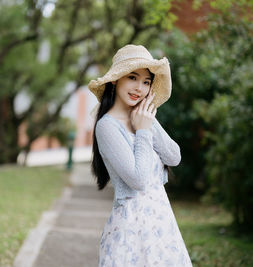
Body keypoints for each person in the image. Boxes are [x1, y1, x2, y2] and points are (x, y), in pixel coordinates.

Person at [88, 44, 193, 266]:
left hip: (161, 224)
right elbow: (138, 179)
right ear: (116, 79)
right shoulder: (107, 127)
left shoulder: (143, 117)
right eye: (133, 78)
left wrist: (147, 122)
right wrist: (143, 130)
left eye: (146, 82)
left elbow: (174, 157)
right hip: (132, 229)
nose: (140, 87)